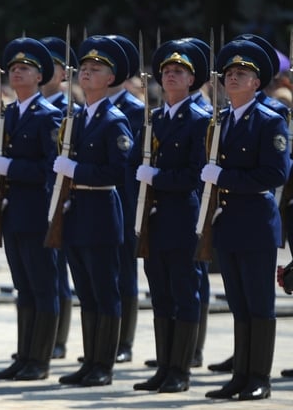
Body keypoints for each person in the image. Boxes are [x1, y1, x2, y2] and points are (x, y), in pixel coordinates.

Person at [201, 39, 288, 401]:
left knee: (258, 303)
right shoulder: (222, 120)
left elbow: (275, 173)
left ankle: (259, 378)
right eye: (229, 73)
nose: (233, 78)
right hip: (228, 219)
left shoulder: (270, 120)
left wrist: (224, 177)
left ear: (256, 82)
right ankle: (240, 375)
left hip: (255, 220)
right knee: (238, 303)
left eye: (242, 73)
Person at [131, 39, 210, 393]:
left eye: (179, 71)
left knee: (184, 292)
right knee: (160, 293)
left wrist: (158, 177)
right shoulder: (156, 119)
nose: (171, 75)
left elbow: (196, 174)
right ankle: (164, 367)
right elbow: (134, 164)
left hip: (183, 216)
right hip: (155, 217)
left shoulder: (200, 120)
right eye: (166, 71)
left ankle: (180, 369)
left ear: (192, 80)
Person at [54, 35, 132, 387]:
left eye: (96, 69)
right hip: (77, 210)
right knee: (85, 291)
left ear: (110, 78)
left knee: (104, 290)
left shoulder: (113, 120)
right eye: (84, 67)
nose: (86, 72)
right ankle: (90, 361)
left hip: (100, 208)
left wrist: (77, 171)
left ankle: (104, 364)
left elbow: (118, 171)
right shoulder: (77, 117)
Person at [0, 37, 62, 381]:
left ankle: (40, 359)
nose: (17, 73)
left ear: (39, 76)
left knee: (42, 286)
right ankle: (24, 355)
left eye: (25, 68)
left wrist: (12, 168)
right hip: (13, 212)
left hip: (37, 212)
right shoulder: (10, 114)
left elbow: (51, 169)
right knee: (24, 287)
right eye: (13, 68)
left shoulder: (48, 115)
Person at [39, 36, 80, 361]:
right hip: (33, 200)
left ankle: (58, 338)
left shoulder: (70, 110)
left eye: (50, 65)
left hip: (60, 198)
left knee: (57, 271)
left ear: (64, 72)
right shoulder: (28, 107)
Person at [105, 34, 144, 365]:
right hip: (96, 201)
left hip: (127, 200)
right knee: (101, 272)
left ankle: (125, 340)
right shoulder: (88, 110)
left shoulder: (135, 110)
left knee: (124, 270)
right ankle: (104, 337)